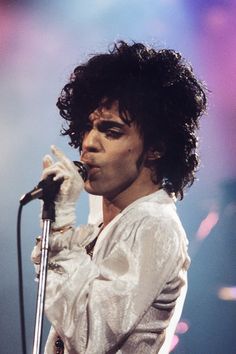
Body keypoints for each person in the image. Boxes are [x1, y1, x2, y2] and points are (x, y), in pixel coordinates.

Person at [31, 41, 207, 353]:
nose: (88, 143)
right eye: (88, 127)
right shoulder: (104, 209)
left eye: (111, 132)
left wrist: (59, 229)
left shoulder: (154, 225)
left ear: (156, 148)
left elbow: (90, 337)